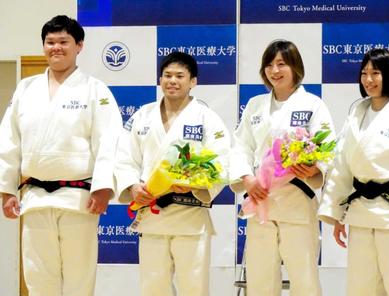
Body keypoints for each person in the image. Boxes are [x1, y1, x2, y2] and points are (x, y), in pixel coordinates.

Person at [0, 15, 122, 295]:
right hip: (34, 197)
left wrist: (103, 187)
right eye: (50, 42)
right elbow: (9, 140)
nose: (56, 47)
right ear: (43, 46)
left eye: (63, 42)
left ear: (79, 45)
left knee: (79, 277)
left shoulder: (95, 90)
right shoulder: (26, 89)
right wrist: (7, 189)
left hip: (79, 199)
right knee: (38, 276)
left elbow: (109, 140)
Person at [318, 48, 389, 296]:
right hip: (360, 215)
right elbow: (342, 166)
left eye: (376, 73)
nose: (369, 79)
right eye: (364, 73)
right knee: (361, 288)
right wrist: (337, 213)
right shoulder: (355, 115)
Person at [115, 51, 230, 296]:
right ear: (160, 80)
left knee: (194, 288)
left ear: (193, 81)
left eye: (180, 75)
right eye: (167, 75)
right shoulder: (142, 116)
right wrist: (133, 187)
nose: (172, 81)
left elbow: (221, 161)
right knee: (153, 288)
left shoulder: (206, 118)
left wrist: (195, 184)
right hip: (152, 213)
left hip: (190, 215)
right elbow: (125, 158)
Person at [230, 40, 335, 296]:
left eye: (281, 64)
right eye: (269, 65)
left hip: (296, 200)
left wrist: (315, 169)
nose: (274, 70)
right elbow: (240, 146)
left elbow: (328, 147)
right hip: (260, 199)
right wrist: (247, 178)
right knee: (260, 279)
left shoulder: (313, 105)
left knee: (304, 279)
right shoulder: (255, 105)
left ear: (295, 67)